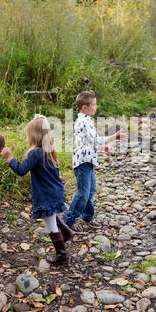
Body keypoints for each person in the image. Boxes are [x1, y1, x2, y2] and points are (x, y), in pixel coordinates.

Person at [1, 114, 74, 265]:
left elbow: (21, 170)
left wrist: (9, 158)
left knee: (50, 224)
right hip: (56, 191)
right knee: (51, 214)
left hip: (46, 194)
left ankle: (62, 255)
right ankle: (66, 231)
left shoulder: (35, 153)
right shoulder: (49, 150)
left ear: (33, 136)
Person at [63, 91, 128, 231]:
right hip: (82, 162)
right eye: (93, 105)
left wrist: (103, 147)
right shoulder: (83, 121)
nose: (96, 107)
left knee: (90, 190)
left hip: (89, 160)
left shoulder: (88, 119)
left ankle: (87, 217)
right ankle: (68, 220)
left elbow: (88, 142)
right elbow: (95, 139)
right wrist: (114, 137)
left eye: (95, 104)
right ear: (84, 107)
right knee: (83, 193)